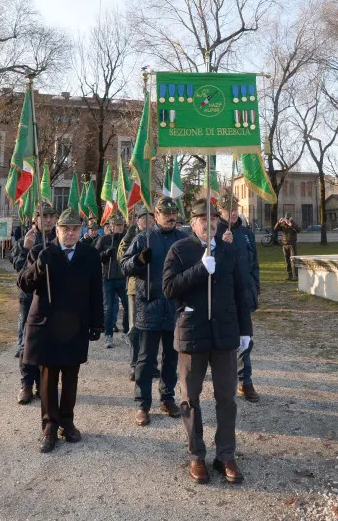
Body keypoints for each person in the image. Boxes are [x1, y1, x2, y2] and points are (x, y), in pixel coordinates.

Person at [163, 199, 253, 484]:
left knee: (227, 398)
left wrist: (245, 330)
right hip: (193, 333)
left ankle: (225, 454)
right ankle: (196, 455)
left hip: (225, 334)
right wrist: (200, 269)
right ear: (193, 223)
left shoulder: (229, 250)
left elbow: (242, 292)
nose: (210, 223)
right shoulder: (180, 250)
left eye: (214, 219)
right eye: (204, 219)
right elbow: (168, 288)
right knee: (190, 399)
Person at [18, 208, 104, 452]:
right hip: (47, 323)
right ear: (57, 230)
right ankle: (49, 426)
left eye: (75, 229)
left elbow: (95, 290)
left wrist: (97, 322)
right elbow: (24, 283)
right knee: (48, 378)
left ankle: (67, 422)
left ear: (81, 231)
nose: (71, 233)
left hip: (74, 325)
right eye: (66, 229)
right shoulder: (42, 251)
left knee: (70, 376)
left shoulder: (89, 254)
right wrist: (38, 266)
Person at [121, 196, 187, 426]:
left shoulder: (183, 239)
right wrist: (139, 260)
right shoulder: (143, 239)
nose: (170, 217)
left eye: (173, 213)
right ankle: (143, 404)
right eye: (165, 213)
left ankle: (167, 397)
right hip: (148, 305)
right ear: (156, 216)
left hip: (174, 307)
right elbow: (124, 266)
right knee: (146, 359)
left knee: (171, 357)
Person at [218, 192, 261, 402]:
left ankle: (246, 382)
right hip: (223, 296)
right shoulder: (215, 231)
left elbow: (254, 263)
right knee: (224, 341)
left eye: (235, 209)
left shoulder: (246, 233)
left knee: (246, 340)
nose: (233, 213)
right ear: (220, 211)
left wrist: (255, 286)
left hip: (244, 294)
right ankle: (224, 381)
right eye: (228, 210)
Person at [12, 205, 57, 404]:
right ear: (35, 219)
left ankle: (42, 384)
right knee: (27, 343)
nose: (47, 220)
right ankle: (26, 384)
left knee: (48, 342)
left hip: (51, 299)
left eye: (51, 216)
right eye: (43, 216)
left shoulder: (60, 239)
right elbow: (19, 270)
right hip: (29, 298)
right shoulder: (26, 239)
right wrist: (25, 249)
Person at [118, 205, 154, 381]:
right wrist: (138, 258)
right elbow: (122, 260)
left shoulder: (156, 237)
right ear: (137, 221)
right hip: (135, 287)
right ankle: (134, 365)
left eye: (151, 220)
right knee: (135, 328)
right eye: (144, 220)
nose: (148, 223)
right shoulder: (130, 238)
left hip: (155, 287)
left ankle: (151, 364)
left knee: (153, 329)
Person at [96, 213, 128, 349]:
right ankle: (108, 335)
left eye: (121, 225)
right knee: (108, 308)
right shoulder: (104, 239)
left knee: (128, 306)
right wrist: (104, 254)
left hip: (123, 277)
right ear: (110, 226)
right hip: (108, 278)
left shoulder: (127, 240)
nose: (119, 227)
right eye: (116, 225)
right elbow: (95, 257)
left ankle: (127, 332)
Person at [274, 212, 301, 280]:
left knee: (294, 260)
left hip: (292, 244)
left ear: (291, 218)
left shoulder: (293, 224)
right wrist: (278, 222)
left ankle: (296, 276)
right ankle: (289, 275)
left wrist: (291, 224)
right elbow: (275, 229)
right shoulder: (283, 224)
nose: (287, 220)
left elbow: (298, 230)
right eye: (286, 218)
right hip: (285, 244)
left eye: (288, 218)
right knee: (287, 261)